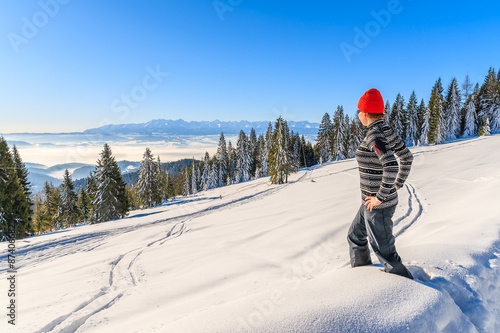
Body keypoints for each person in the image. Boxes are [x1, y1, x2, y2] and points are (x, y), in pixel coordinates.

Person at [347, 88, 414, 279]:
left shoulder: (374, 135)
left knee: (387, 255)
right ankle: (362, 277)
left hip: (378, 206)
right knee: (355, 236)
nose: (358, 114)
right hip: (370, 202)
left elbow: (391, 165)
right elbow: (407, 158)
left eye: (359, 111)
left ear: (365, 113)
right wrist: (396, 185)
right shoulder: (386, 130)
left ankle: (411, 292)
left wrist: (380, 196)